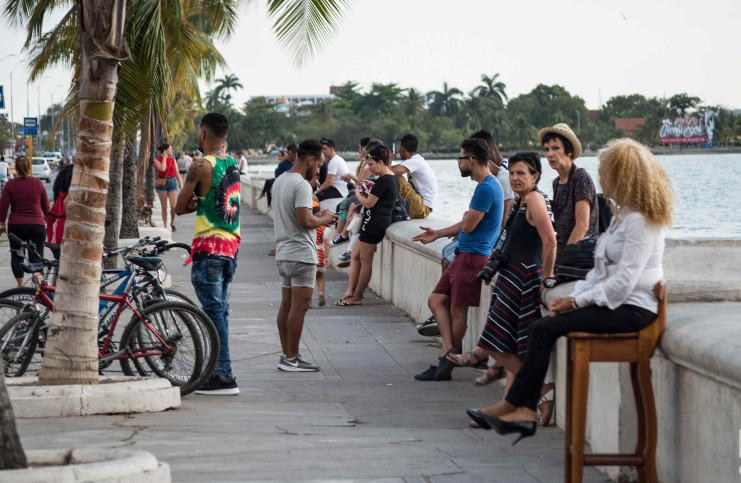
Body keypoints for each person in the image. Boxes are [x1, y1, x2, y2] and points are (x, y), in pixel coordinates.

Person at [466, 138, 672, 443]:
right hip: (619, 303)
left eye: (607, 172)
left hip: (634, 310)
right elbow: (602, 272)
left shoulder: (640, 221)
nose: (601, 179)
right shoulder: (624, 216)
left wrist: (577, 300)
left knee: (542, 329)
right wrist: (576, 296)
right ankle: (520, 407)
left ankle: (519, 408)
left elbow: (623, 282)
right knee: (541, 328)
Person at [446, 152, 557, 424]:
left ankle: (535, 391)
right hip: (510, 277)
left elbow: (550, 240)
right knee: (502, 344)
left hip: (524, 280)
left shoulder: (534, 199)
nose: (516, 178)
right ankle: (533, 394)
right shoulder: (521, 201)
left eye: (522, 173)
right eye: (513, 173)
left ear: (536, 177)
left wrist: (548, 277)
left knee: (497, 345)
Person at [412, 138, 504, 381]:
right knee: (436, 300)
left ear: (470, 160)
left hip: (473, 257)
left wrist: (465, 218)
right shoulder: (486, 186)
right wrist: (438, 233)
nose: (459, 163)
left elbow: (470, 225)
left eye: (460, 159)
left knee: (456, 309)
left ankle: (446, 361)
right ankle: (448, 353)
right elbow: (467, 222)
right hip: (463, 255)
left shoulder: (487, 187)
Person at [175, 113, 241, 395]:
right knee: (220, 313)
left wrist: (190, 201)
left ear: (203, 134)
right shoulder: (232, 163)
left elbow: (179, 207)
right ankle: (218, 371)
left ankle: (224, 376)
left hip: (209, 249)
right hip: (231, 249)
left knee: (213, 314)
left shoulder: (200, 164)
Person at [272, 139, 336, 372]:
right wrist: (326, 219)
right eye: (318, 166)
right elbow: (306, 220)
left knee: (287, 305)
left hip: (284, 252)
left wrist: (318, 218)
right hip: (300, 253)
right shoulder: (302, 185)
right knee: (301, 305)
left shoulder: (280, 181)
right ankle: (292, 358)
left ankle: (286, 355)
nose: (318, 170)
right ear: (309, 160)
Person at [336, 144, 400, 306]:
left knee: (365, 260)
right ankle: (351, 292)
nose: (369, 168)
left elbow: (369, 203)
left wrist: (357, 192)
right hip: (373, 222)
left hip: (375, 223)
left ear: (380, 162)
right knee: (356, 256)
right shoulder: (390, 178)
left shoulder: (385, 180)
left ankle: (357, 296)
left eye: (371, 165)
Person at [539, 123, 598, 249]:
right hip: (564, 247)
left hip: (581, 252)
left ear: (569, 151)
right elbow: (562, 225)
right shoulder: (556, 182)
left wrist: (565, 257)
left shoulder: (581, 178)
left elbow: (582, 226)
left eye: (555, 148)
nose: (550, 154)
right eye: (546, 149)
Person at [0, 156, 50, 287]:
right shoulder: (38, 183)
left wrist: (1, 224)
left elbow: (3, 206)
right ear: (29, 167)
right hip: (36, 226)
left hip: (17, 225)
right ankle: (38, 286)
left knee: (17, 256)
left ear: (15, 168)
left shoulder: (10, 185)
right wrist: (44, 217)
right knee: (36, 256)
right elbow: (46, 206)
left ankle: (20, 286)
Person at [390, 134, 437, 219]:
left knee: (396, 177)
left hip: (423, 208)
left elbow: (391, 171)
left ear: (402, 149)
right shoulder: (415, 161)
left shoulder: (415, 161)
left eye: (400, 149)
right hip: (422, 205)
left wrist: (389, 160)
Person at [154, 143, 183, 232]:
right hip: (161, 183)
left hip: (172, 182)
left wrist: (180, 184)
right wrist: (164, 157)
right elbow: (162, 169)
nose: (172, 150)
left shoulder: (173, 160)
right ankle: (165, 225)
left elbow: (177, 173)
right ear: (165, 150)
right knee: (164, 206)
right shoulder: (156, 160)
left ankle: (172, 222)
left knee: (173, 206)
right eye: (170, 149)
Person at [313, 201, 330, 307]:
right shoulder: (323, 228)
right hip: (319, 255)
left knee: (308, 280)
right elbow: (327, 244)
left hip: (309, 255)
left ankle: (308, 301)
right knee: (320, 277)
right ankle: (321, 293)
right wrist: (326, 257)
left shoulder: (307, 227)